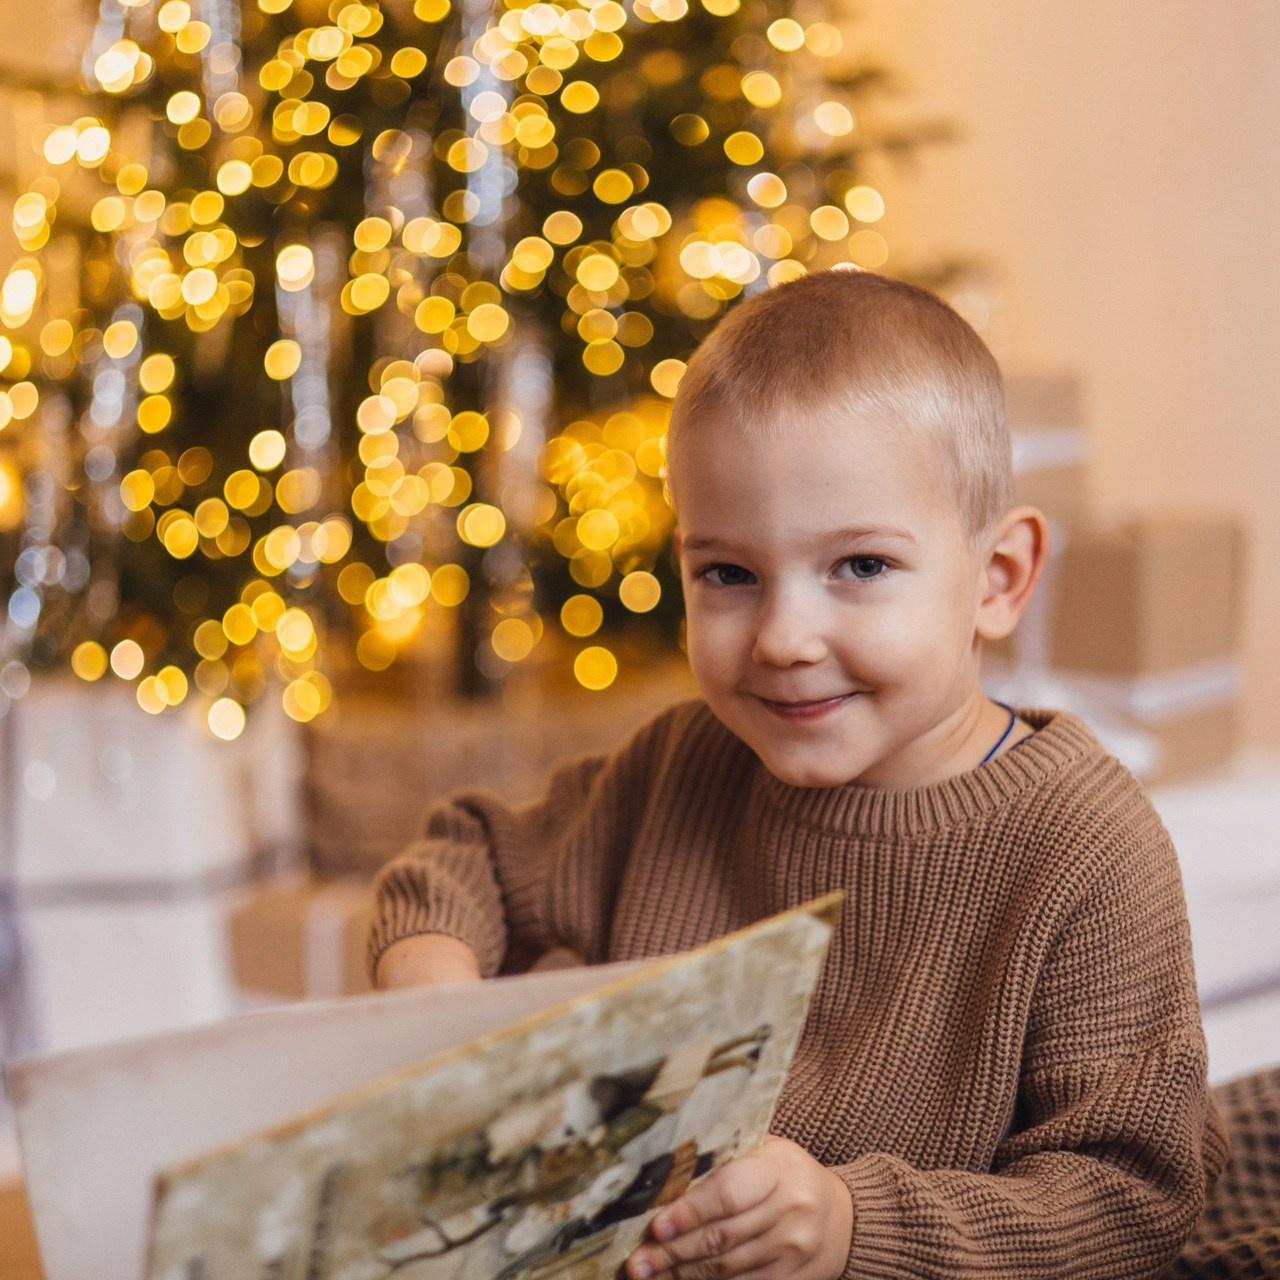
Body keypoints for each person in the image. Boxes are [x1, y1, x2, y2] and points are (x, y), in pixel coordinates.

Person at [369, 269, 1226, 1279]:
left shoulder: (1083, 843)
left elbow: (1130, 1199)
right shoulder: (682, 764)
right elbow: (463, 857)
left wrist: (850, 1226)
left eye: (858, 565)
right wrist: (433, 997)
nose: (782, 637)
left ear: (996, 580)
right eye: (726, 573)